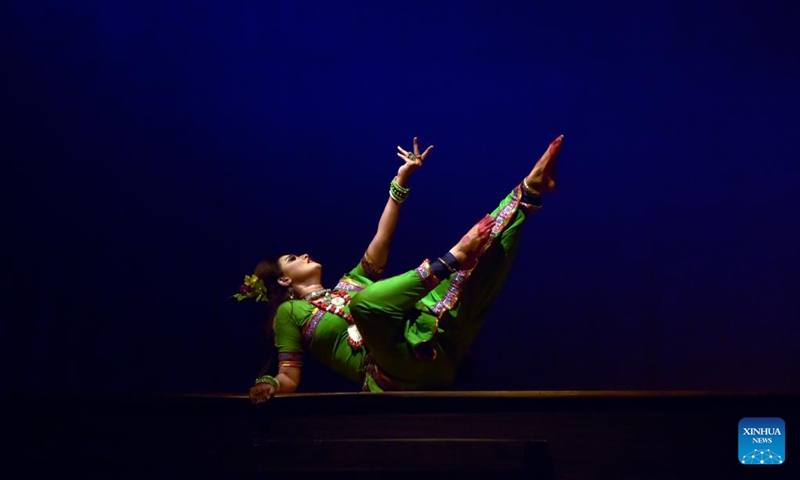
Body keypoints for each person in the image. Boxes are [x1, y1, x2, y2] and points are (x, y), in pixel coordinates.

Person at [233, 135, 564, 403]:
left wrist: (401, 179)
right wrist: (268, 385)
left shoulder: (350, 282)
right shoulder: (291, 312)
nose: (304, 254)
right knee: (366, 305)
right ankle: (452, 258)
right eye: (293, 258)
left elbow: (382, 237)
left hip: (431, 351)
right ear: (284, 279)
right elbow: (289, 376)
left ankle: (528, 191)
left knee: (476, 268)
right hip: (393, 375)